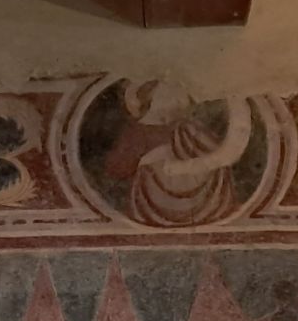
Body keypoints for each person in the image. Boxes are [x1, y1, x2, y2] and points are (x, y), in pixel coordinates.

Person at [98, 80, 253, 228]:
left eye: (183, 95)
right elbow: (116, 169)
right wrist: (150, 163)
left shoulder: (188, 129)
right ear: (154, 94)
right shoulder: (135, 134)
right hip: (148, 209)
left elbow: (223, 158)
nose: (184, 100)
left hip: (206, 207)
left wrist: (179, 168)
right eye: (174, 90)